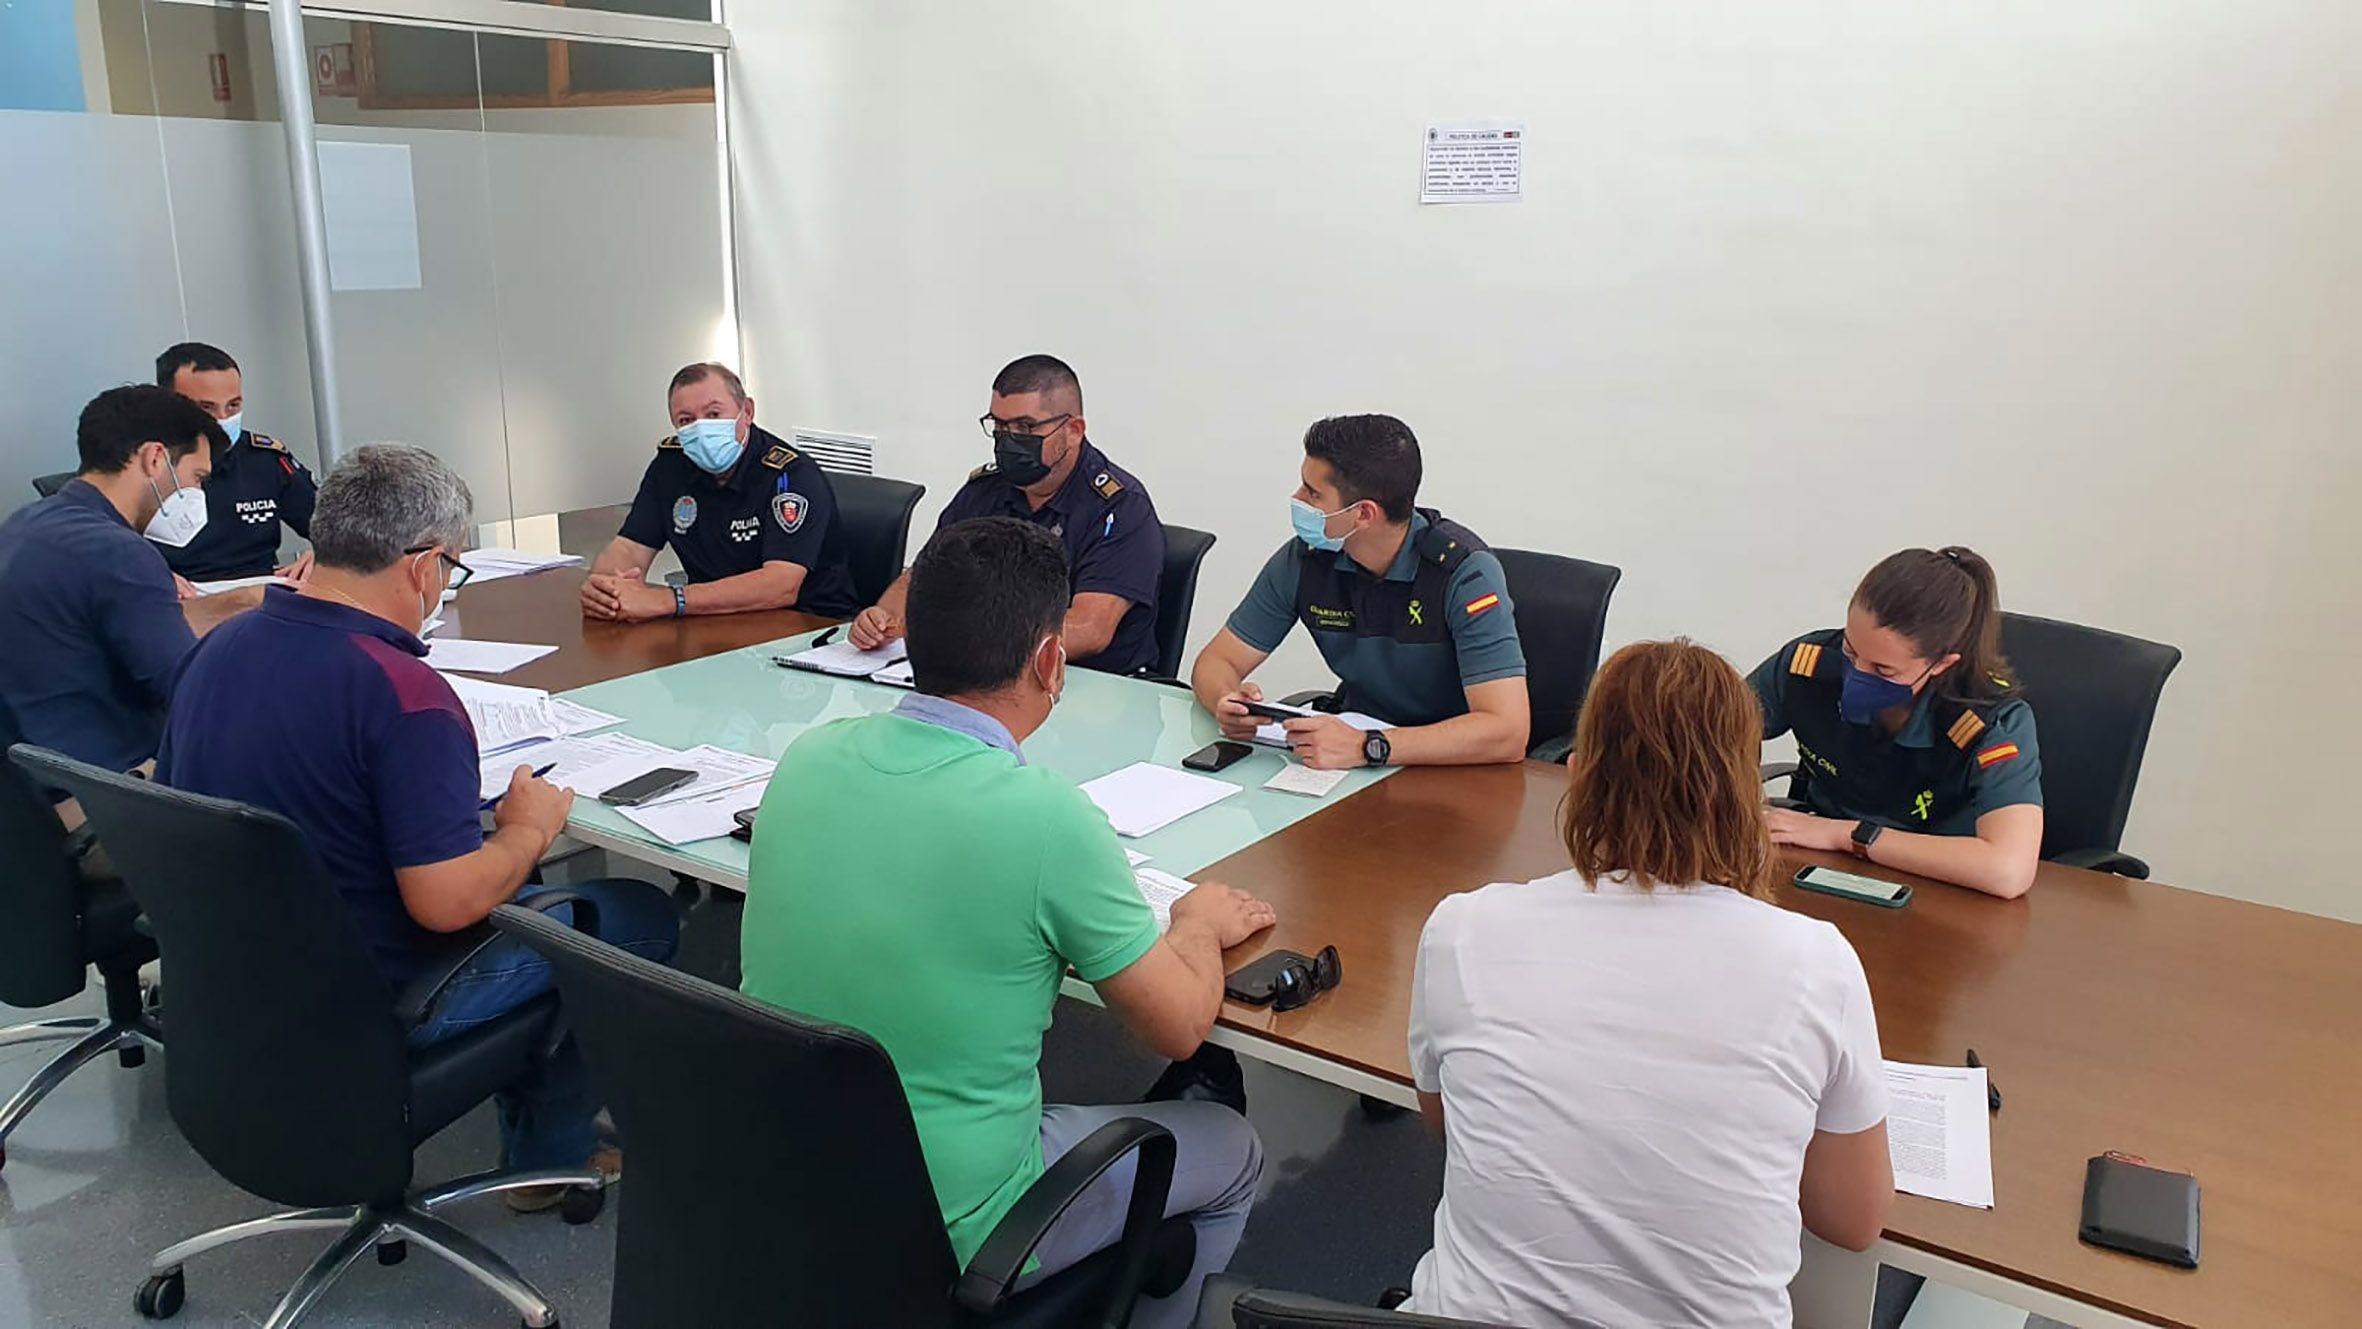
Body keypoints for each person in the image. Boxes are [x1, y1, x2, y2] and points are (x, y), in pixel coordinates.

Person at [742, 517, 1270, 1327]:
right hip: (955, 1224)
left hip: (780, 1164)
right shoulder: (1047, 817)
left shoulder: (810, 756)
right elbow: (1180, 1027)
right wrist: (1196, 922)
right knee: (1232, 1149)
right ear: (1051, 659)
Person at [158, 444, 679, 1208]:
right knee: (633, 916)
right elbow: (447, 903)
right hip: (372, 1000)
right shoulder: (407, 694)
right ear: (422, 565)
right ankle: (545, 1162)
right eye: (452, 568)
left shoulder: (219, 648)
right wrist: (528, 830)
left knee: (523, 886)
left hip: (237, 985)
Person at [1403, 640, 1894, 1327]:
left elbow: (1447, 1120)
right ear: (1747, 796)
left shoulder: (1464, 928)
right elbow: (1852, 1219)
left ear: (1578, 776)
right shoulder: (1816, 963)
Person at [1192, 413, 1529, 769]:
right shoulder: (1305, 560)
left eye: (1313, 492)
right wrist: (1225, 701)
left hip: (1452, 770)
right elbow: (1217, 661)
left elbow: (1507, 731)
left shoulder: (1463, 573)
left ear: (1364, 514)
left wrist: (1367, 747)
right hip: (1351, 763)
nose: (1297, 498)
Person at [1748, 546, 2044, 899]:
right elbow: (1700, 733)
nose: (1855, 676)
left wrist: (1843, 834)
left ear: (1941, 664)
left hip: (1935, 891)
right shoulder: (1806, 668)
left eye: (1883, 670)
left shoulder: (1988, 723)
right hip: (1815, 870)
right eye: (1850, 650)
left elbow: (2008, 871)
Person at [0, 386, 262, 774]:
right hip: (106, 789)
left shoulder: (23, 525)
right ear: (155, 458)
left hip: (30, 788)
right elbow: (189, 695)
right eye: (197, 478)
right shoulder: (118, 552)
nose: (198, 493)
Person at [848, 355, 1166, 675]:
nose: (1008, 440)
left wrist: (973, 643)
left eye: (1025, 427)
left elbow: (1089, 629)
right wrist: (882, 619)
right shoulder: (985, 491)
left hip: (1095, 684)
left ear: (1073, 430)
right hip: (988, 675)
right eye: (999, 425)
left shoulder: (1118, 508)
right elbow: (923, 578)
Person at [584, 361, 859, 622]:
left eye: (714, 414)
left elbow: (781, 584)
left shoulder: (789, 476)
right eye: (686, 419)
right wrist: (608, 589)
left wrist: (669, 600)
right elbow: (630, 546)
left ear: (747, 411)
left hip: (805, 626)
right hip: (713, 621)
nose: (701, 427)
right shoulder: (671, 466)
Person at [154, 341, 319, 586]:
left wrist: (328, 558)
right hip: (178, 602)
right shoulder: (144, 465)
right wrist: (146, 577)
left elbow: (339, 529)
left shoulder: (264, 458)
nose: (222, 419)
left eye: (233, 405)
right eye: (206, 407)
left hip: (263, 600)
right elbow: (102, 549)